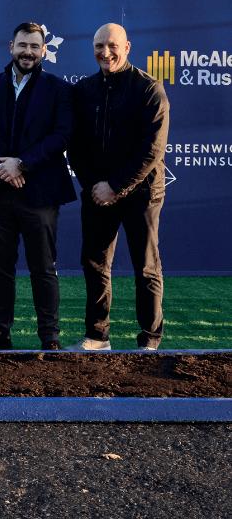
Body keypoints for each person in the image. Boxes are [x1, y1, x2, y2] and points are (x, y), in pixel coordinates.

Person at [0, 22, 76, 350]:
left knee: (43, 267)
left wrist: (22, 163)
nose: (28, 52)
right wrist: (0, 167)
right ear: (11, 47)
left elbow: (62, 135)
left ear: (43, 50)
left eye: (34, 46)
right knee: (0, 267)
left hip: (40, 193)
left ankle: (50, 337)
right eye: (22, 45)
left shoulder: (58, 89)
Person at [68, 23, 169, 351]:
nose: (106, 52)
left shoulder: (149, 89)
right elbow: (75, 146)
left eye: (112, 45)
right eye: (99, 46)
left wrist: (115, 186)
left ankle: (150, 340)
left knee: (146, 265)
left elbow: (152, 150)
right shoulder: (84, 90)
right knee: (95, 263)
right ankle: (98, 337)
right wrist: (94, 186)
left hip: (142, 192)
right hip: (97, 192)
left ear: (127, 47)